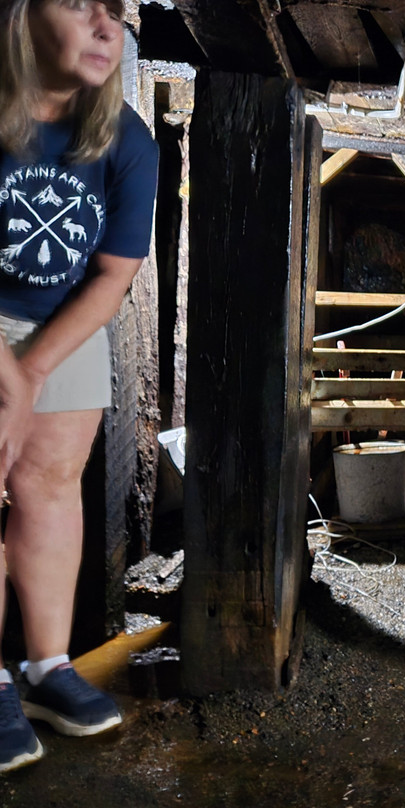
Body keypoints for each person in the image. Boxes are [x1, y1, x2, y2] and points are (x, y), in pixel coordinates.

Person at [0, 0, 157, 772]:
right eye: (79, 4)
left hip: (63, 321)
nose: (107, 27)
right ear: (23, 17)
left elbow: (113, 277)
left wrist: (30, 369)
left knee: (54, 485)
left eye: (115, 11)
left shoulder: (128, 140)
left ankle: (45, 668)